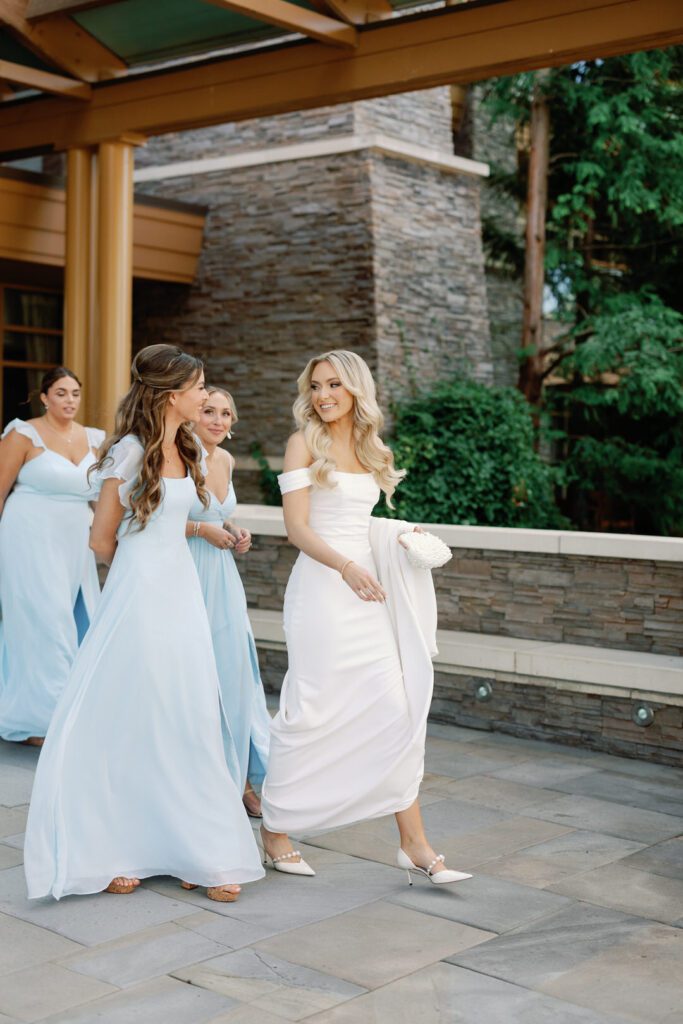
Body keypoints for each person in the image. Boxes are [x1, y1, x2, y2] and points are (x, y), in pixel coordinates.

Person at [23, 344, 264, 901]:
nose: (207, 397)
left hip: (181, 594)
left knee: (186, 712)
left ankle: (195, 850)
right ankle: (113, 849)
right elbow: (101, 540)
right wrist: (142, 573)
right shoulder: (129, 452)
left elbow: (189, 516)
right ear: (172, 394)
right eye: (200, 388)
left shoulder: (189, 448)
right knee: (130, 713)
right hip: (138, 595)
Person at [260, 350, 472, 886]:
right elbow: (299, 530)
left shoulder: (372, 447)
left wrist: (398, 537)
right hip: (323, 589)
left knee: (394, 709)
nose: (323, 395)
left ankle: (413, 843)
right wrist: (347, 566)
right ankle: (275, 832)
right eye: (315, 386)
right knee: (311, 708)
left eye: (334, 384)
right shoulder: (301, 443)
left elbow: (364, 520)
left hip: (366, 591)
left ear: (357, 389)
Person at [0, 367, 104, 745]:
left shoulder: (95, 438)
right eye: (61, 393)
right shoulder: (22, 433)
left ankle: (65, 712)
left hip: (75, 540)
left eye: (75, 393)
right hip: (28, 536)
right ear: (44, 397)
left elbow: (100, 498)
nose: (70, 401)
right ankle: (39, 721)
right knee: (43, 621)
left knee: (76, 619)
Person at [188, 386, 270, 817]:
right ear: (191, 415)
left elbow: (218, 512)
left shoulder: (226, 460)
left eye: (226, 414)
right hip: (184, 573)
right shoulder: (177, 455)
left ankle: (239, 777)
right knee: (194, 676)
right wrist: (203, 532)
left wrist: (236, 531)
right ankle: (201, 779)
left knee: (235, 673)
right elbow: (152, 516)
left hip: (222, 579)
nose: (218, 420)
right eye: (209, 411)